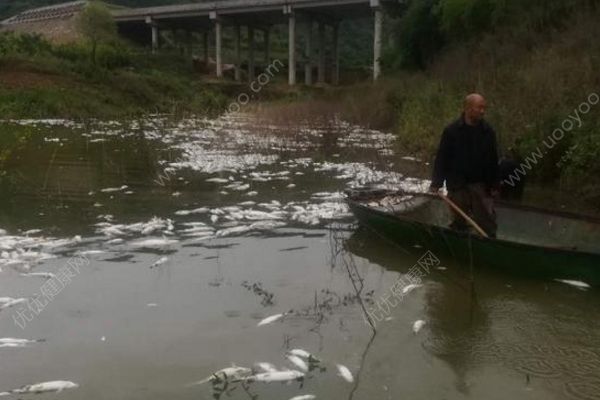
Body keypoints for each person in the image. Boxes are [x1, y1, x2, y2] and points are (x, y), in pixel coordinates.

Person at [429, 93, 500, 237]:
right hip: (457, 185)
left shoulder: (488, 132)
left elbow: (493, 160)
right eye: (479, 108)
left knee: (487, 223)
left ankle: (489, 246)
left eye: (484, 108)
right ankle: (459, 245)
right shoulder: (451, 131)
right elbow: (442, 158)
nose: (482, 111)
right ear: (467, 108)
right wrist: (436, 183)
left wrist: (494, 185)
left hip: (480, 185)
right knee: (459, 222)